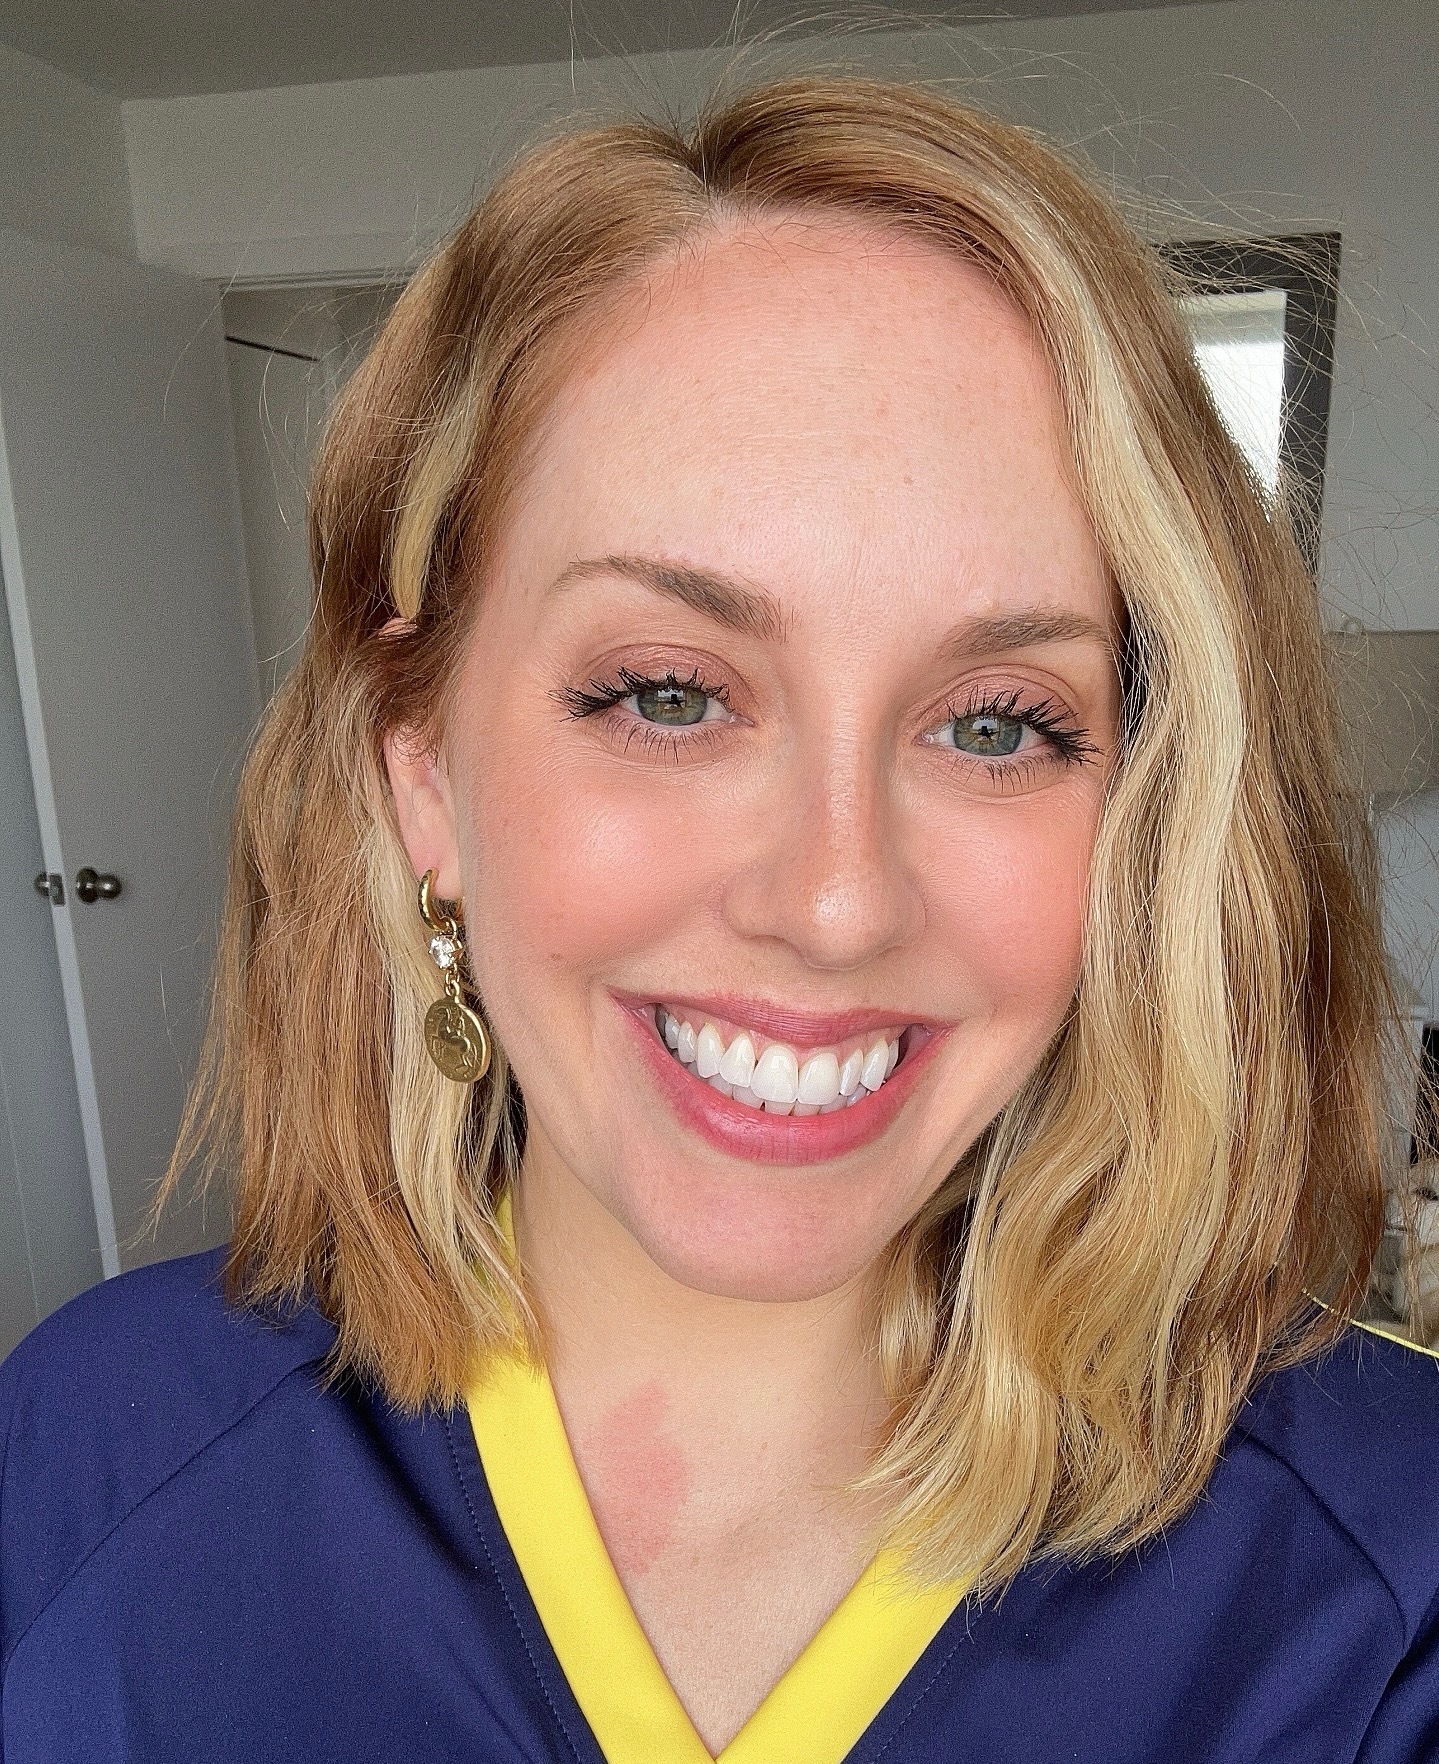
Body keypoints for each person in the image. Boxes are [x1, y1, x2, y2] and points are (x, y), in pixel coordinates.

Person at [1, 72, 1434, 1764]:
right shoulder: (93, 1449)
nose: (834, 902)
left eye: (999, 723)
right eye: (670, 694)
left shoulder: (1386, 1563)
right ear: (422, 775)